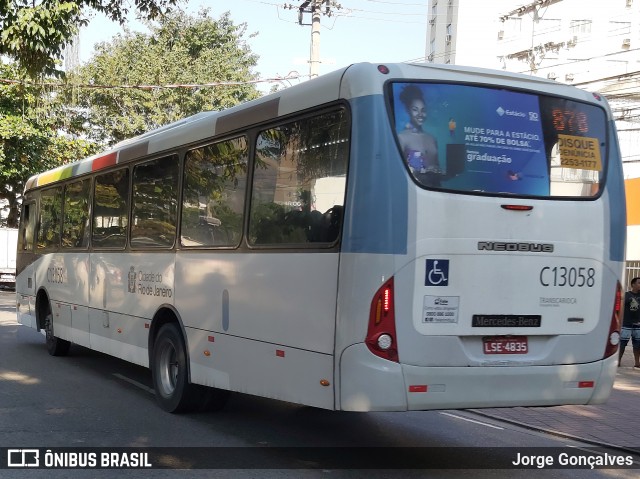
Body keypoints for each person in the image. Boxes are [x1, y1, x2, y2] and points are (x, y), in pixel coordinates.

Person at [397, 85, 440, 180]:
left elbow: (437, 169)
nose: (420, 114)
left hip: (434, 189)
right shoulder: (401, 138)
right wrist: (423, 171)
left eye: (423, 110)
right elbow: (397, 171)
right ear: (408, 111)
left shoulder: (432, 139)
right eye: (415, 110)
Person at [619, 277, 640, 368]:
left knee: (638, 345)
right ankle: (618, 361)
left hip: (638, 324)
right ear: (633, 285)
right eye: (639, 283)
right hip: (626, 324)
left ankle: (637, 362)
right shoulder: (626, 295)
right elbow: (621, 308)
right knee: (622, 344)